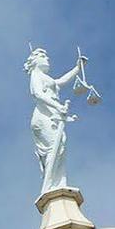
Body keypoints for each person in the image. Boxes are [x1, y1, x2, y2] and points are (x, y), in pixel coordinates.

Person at [25, 47, 85, 195]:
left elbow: (61, 80)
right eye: (43, 56)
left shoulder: (48, 79)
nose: (47, 59)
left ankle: (59, 183)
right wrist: (58, 106)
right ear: (35, 60)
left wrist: (77, 68)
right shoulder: (35, 74)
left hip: (54, 114)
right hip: (43, 116)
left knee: (61, 144)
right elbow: (37, 94)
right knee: (54, 146)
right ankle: (49, 185)